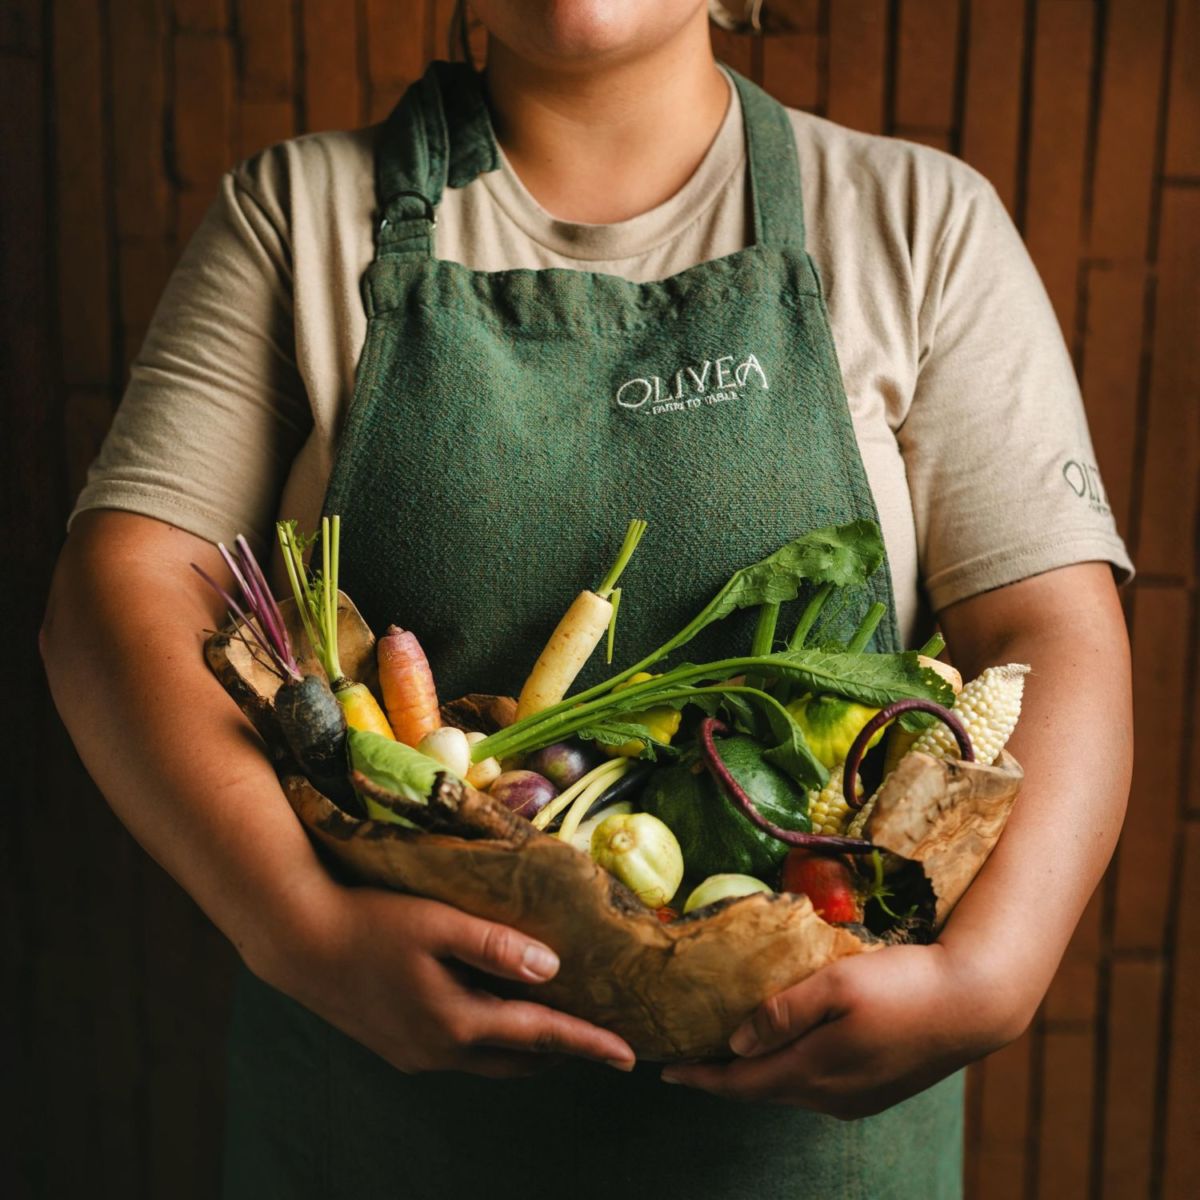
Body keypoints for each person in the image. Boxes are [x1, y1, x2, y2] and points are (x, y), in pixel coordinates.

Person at [40, 1, 1133, 1196]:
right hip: (381, 1135)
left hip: (805, 1157)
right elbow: (119, 591)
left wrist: (997, 970)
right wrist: (298, 924)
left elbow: (1051, 631)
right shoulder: (296, 217)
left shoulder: (919, 224)